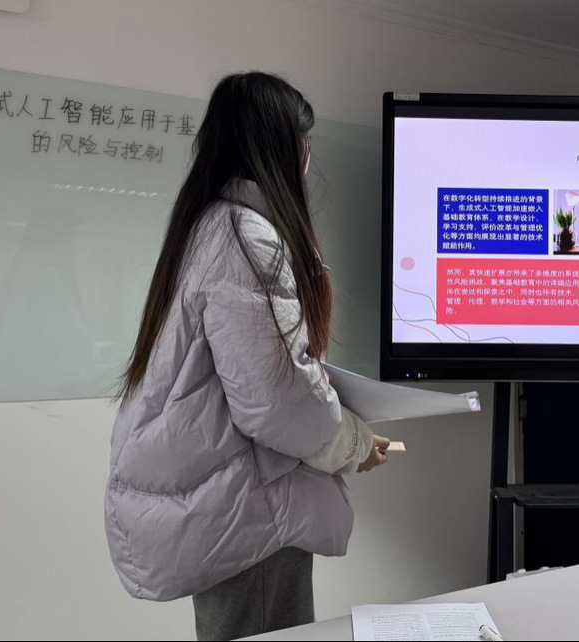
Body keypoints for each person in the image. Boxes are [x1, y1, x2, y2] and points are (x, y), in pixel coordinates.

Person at [105, 72, 389, 641]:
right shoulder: (247, 237)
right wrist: (354, 443)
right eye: (304, 143)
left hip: (225, 500)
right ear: (285, 149)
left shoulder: (207, 226)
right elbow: (279, 404)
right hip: (251, 512)